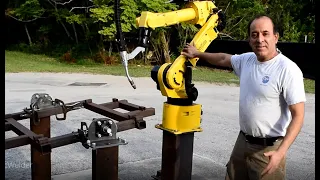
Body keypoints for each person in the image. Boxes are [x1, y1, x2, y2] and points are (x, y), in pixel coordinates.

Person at [181, 14, 306, 180]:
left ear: (275, 37)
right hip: (243, 142)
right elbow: (223, 58)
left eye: (265, 33)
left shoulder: (287, 69)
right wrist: (198, 53)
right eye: (254, 34)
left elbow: (298, 116)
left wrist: (280, 152)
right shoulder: (247, 60)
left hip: (268, 149)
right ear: (249, 39)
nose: (259, 39)